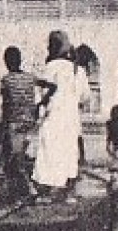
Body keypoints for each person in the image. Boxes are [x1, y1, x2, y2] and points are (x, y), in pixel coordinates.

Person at [32, 30, 82, 196]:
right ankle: (68, 188)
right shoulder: (77, 70)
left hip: (53, 115)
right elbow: (85, 96)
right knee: (68, 150)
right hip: (71, 116)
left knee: (50, 151)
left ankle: (48, 189)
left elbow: (42, 93)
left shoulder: (50, 67)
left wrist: (39, 108)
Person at [0, 45, 41, 191]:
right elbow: (51, 86)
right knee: (13, 149)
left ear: (6, 62)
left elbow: (6, 103)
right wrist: (39, 104)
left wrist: (5, 122)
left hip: (16, 121)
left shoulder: (7, 80)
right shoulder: (29, 77)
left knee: (16, 155)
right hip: (30, 119)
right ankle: (5, 168)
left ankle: (30, 187)